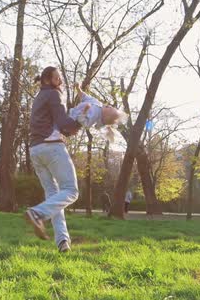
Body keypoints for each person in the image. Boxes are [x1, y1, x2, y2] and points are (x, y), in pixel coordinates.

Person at [24, 66, 125, 252]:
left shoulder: (40, 96)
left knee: (54, 197)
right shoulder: (54, 95)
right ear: (47, 80)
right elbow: (64, 125)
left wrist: (79, 93)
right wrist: (79, 121)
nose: (60, 82)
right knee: (71, 191)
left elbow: (76, 109)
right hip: (51, 146)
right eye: (57, 79)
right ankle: (37, 213)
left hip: (35, 150)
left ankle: (62, 241)